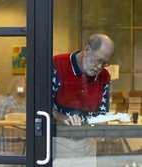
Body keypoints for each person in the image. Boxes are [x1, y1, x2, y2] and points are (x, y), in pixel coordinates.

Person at [52, 34, 115, 167]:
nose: (99, 67)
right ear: (87, 50)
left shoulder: (104, 76)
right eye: (98, 60)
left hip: (87, 144)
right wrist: (63, 118)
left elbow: (102, 115)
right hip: (58, 141)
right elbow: (42, 106)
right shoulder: (57, 65)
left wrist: (99, 126)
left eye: (105, 63)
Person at [0, 77, 26, 154]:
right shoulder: (5, 104)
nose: (24, 90)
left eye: (25, 88)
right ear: (13, 88)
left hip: (22, 148)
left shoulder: (24, 104)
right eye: (21, 87)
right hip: (7, 148)